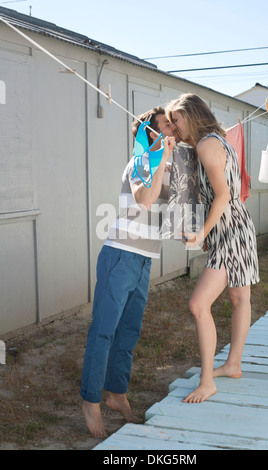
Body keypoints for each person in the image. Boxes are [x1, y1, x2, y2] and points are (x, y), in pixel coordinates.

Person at [80, 107, 177, 438]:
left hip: (144, 260)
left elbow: (170, 213)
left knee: (128, 333)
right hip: (120, 256)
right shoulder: (140, 163)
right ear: (152, 132)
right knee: (104, 332)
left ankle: (116, 394)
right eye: (167, 126)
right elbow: (145, 201)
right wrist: (161, 157)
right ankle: (90, 402)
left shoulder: (167, 167)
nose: (173, 132)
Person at [166, 93, 260, 404]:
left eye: (176, 120)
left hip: (230, 231)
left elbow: (222, 196)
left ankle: (207, 382)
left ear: (191, 115)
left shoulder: (207, 145)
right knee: (239, 297)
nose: (173, 126)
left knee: (198, 304)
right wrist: (206, 233)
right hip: (235, 227)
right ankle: (233, 364)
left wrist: (201, 233)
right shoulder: (216, 140)